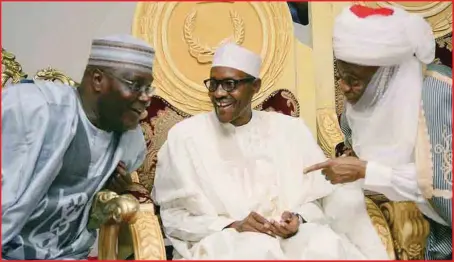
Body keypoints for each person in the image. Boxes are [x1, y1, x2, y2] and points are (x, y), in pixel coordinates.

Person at [152, 42, 389, 259]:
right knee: (255, 250)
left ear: (255, 86)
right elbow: (174, 217)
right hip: (224, 241)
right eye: (213, 84)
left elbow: (317, 198)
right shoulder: (185, 137)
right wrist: (232, 225)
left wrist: (298, 218)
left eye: (230, 84)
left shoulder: (290, 130)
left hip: (292, 238)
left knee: (324, 244)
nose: (219, 93)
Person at [304, 5, 452, 259]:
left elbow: (439, 183)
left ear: (388, 74)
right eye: (341, 75)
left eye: (354, 80)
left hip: (439, 230)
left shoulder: (437, 95)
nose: (344, 88)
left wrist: (366, 170)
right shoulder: (364, 100)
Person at [1, 34, 155, 260]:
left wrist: (110, 191)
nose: (145, 98)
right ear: (97, 79)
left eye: (148, 88)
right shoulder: (34, 109)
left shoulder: (129, 140)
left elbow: (85, 214)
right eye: (135, 85)